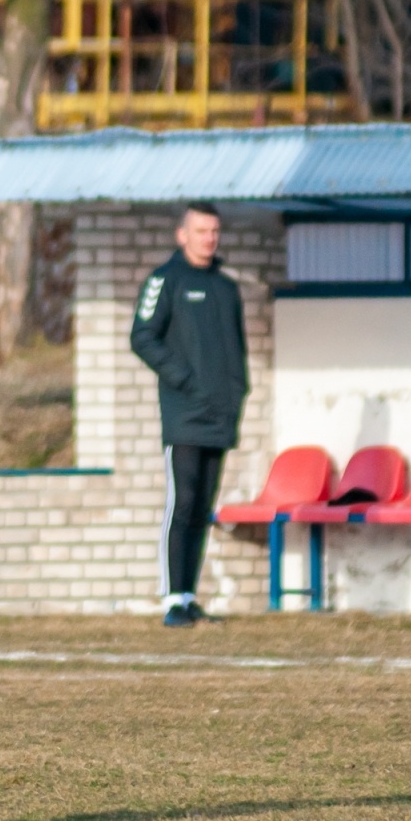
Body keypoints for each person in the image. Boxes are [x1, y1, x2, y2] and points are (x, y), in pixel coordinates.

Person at [130, 202, 248, 629]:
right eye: (201, 230)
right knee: (182, 504)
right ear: (182, 235)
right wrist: (183, 378)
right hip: (184, 416)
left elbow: (236, 350)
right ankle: (173, 600)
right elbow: (142, 337)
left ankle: (190, 595)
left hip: (219, 416)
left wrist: (236, 393)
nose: (209, 238)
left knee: (202, 509)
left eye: (214, 231)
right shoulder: (165, 280)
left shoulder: (226, 287)